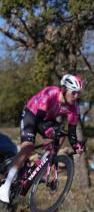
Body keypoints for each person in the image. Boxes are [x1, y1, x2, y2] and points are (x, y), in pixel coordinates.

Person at [0, 74, 86, 203]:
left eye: (78, 93)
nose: (76, 96)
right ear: (64, 89)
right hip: (32, 115)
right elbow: (38, 121)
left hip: (46, 119)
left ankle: (48, 159)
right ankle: (5, 186)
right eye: (73, 93)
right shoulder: (50, 93)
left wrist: (76, 146)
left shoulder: (73, 107)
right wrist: (49, 131)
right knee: (28, 147)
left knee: (62, 133)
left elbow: (72, 133)